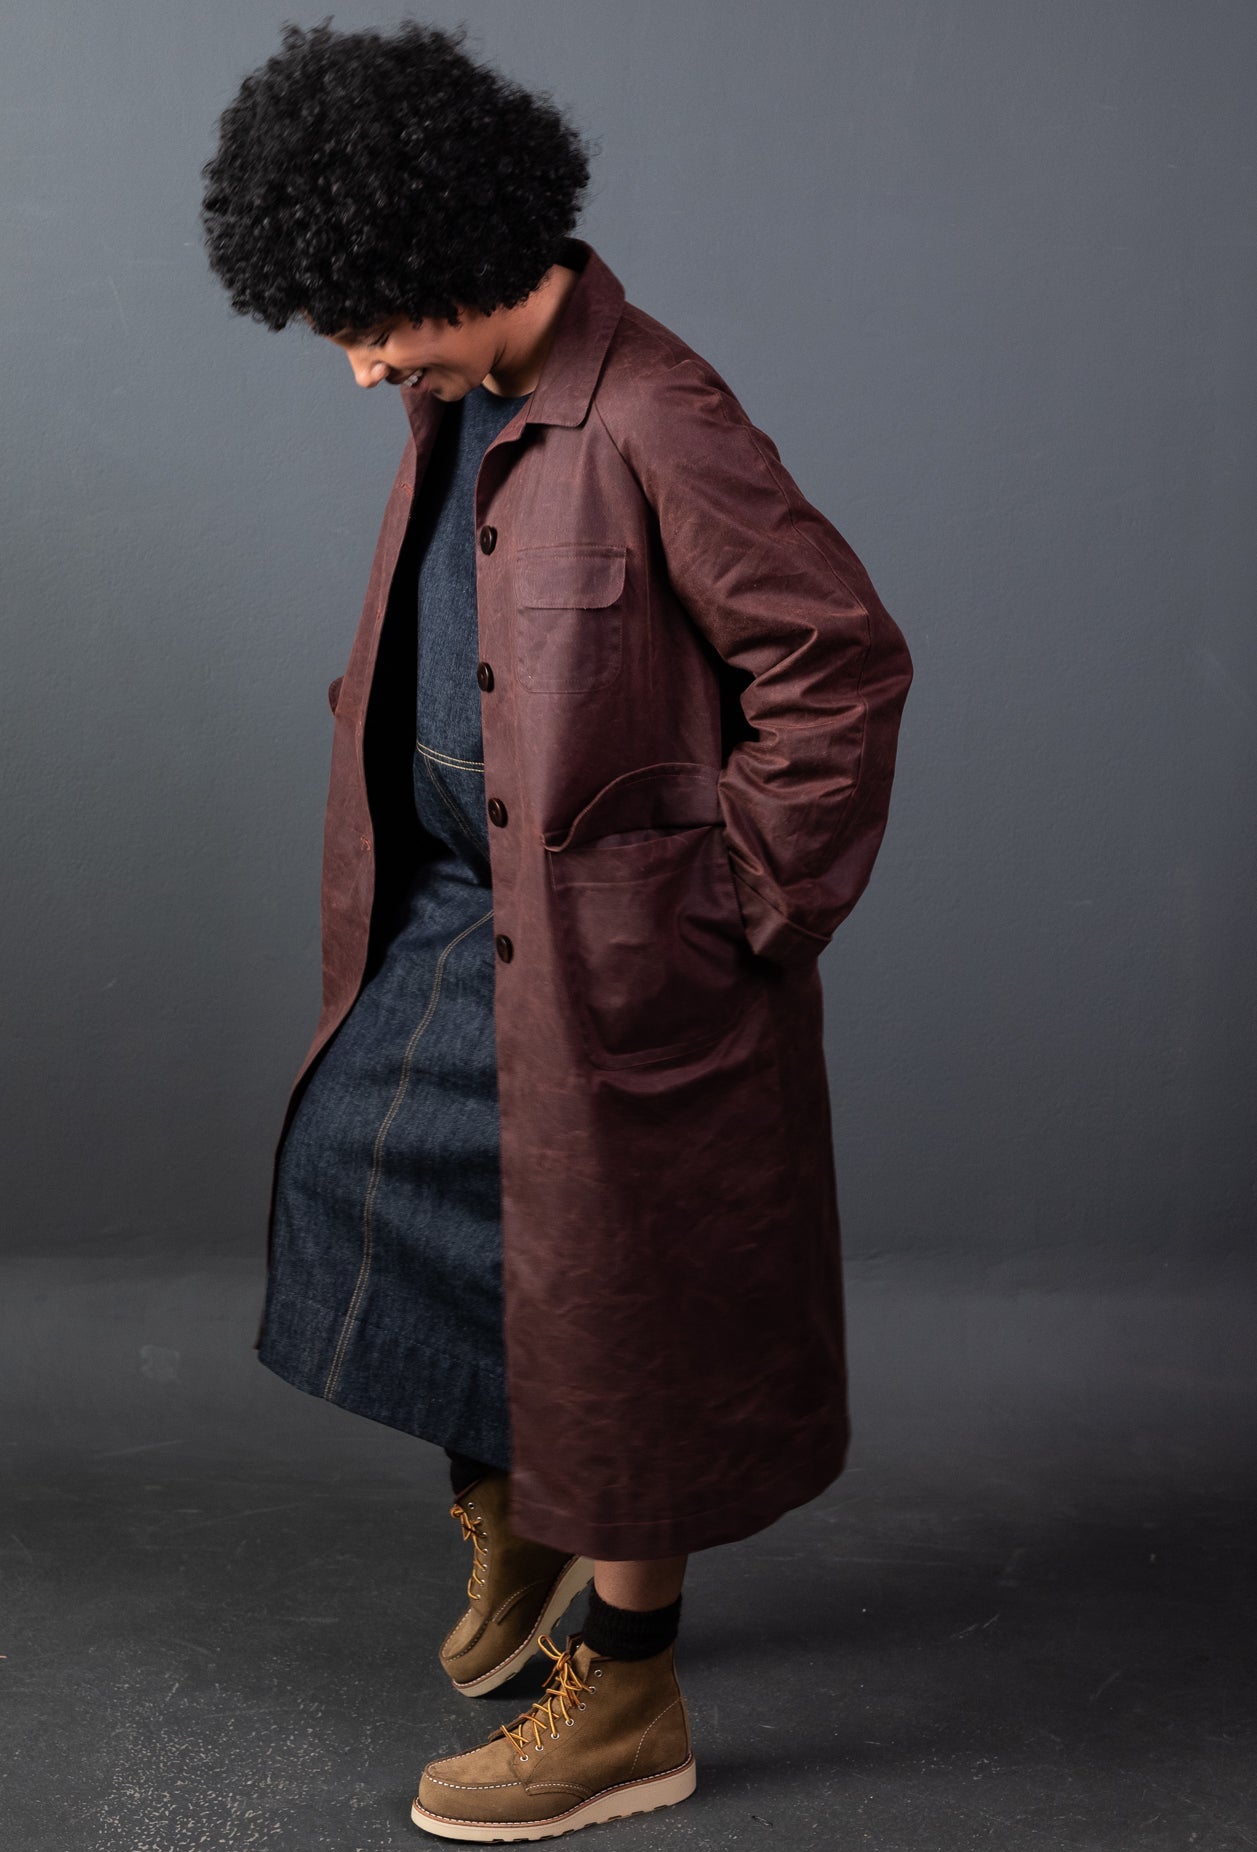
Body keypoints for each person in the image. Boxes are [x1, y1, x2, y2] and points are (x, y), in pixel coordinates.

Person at [200, 18, 912, 1842]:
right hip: (452, 912)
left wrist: (734, 912)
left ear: (445, 248)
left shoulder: (660, 412)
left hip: (622, 957)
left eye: (366, 322)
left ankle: (630, 1692)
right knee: (365, 1173)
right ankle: (518, 1506)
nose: (360, 366)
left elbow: (835, 667)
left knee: (618, 1307)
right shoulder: (459, 398)